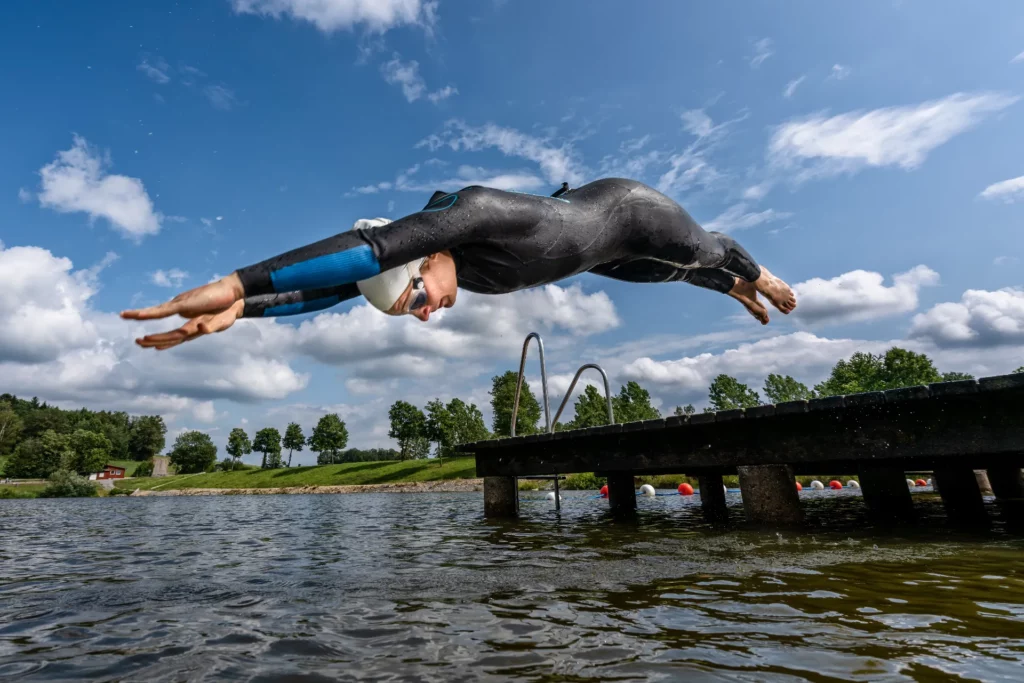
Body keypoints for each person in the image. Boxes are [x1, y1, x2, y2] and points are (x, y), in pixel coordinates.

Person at [122, 177, 796, 350]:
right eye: (411, 311)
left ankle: (752, 272)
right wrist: (247, 311)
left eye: (416, 299)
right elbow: (339, 285)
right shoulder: (431, 270)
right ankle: (732, 288)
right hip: (601, 258)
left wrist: (239, 279)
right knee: (673, 274)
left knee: (705, 250)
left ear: (425, 253)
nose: (425, 313)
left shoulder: (469, 213)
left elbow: (375, 249)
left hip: (627, 213)